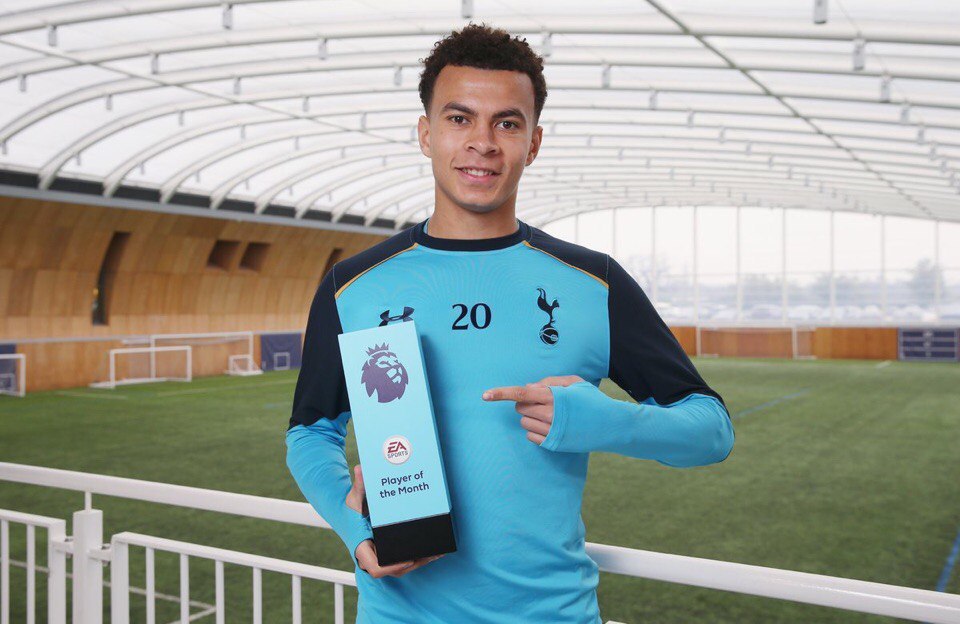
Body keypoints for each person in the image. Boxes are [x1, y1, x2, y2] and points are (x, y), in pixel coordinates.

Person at [285, 22, 735, 623]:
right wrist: (355, 528)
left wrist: (607, 422)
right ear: (426, 134)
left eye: (507, 123)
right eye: (459, 118)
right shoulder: (353, 285)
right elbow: (310, 433)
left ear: (534, 142)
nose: (483, 143)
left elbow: (711, 431)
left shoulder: (594, 283)